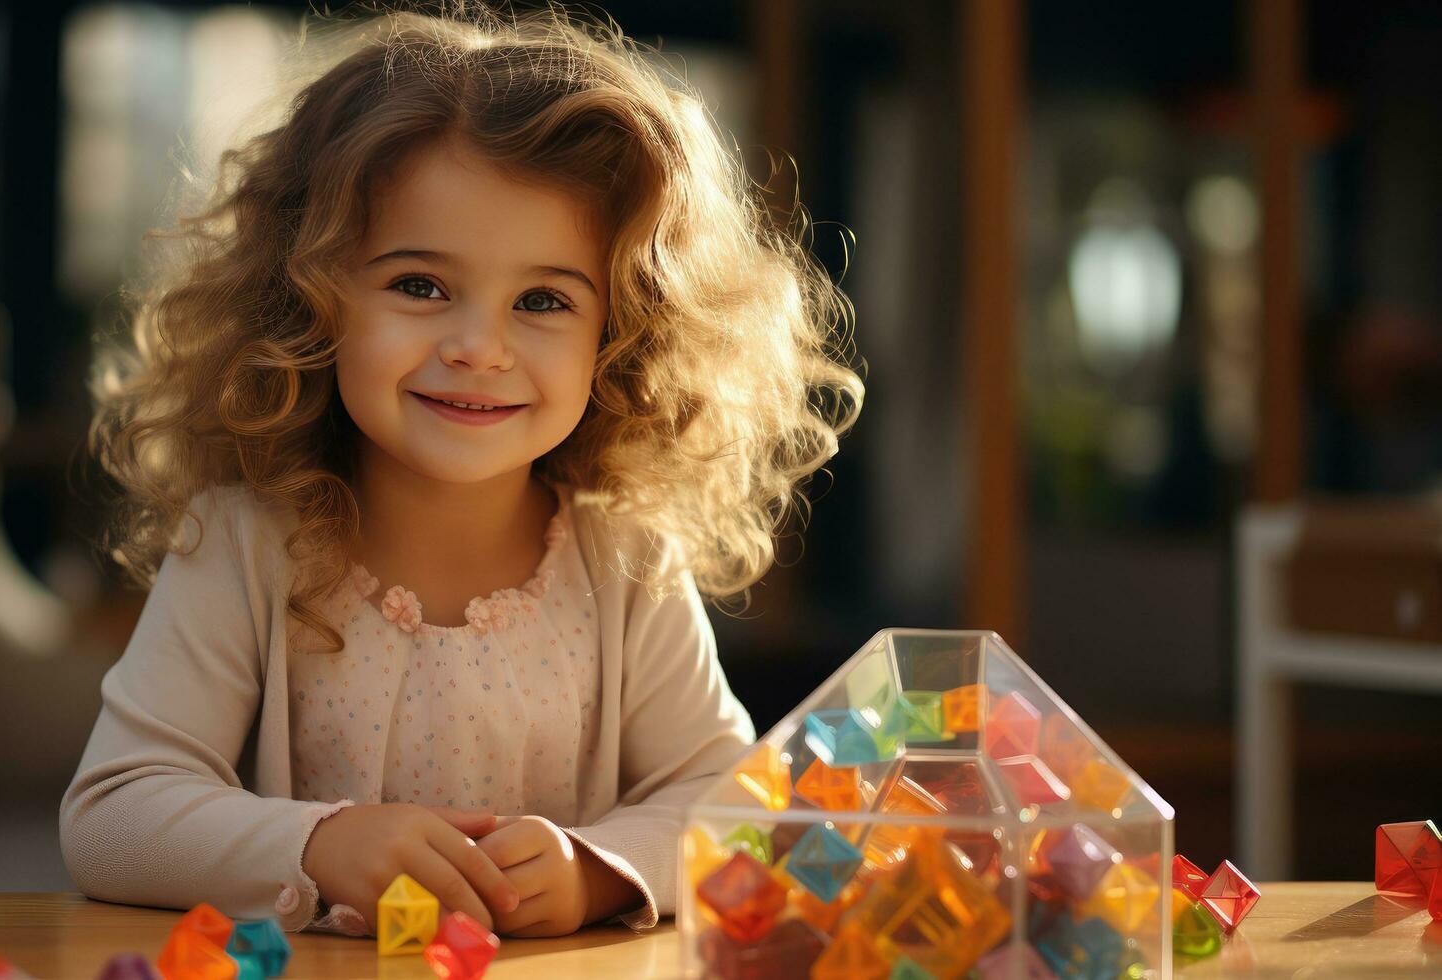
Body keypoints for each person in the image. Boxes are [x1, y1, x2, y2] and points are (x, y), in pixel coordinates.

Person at [60, 1, 863, 939]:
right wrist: (318, 845)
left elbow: (737, 812)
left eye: (541, 300)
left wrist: (598, 873)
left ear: (622, 336)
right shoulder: (244, 542)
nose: (479, 347)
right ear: (310, 297)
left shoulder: (623, 562)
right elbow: (111, 818)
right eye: (419, 286)